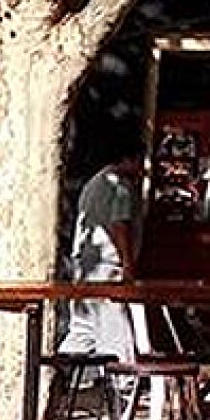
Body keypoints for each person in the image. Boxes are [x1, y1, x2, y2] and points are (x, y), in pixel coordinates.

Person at [58, 148, 145, 361]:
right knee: (114, 331)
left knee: (83, 327)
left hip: (83, 266)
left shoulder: (93, 184)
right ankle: (122, 377)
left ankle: (56, 368)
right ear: (129, 159)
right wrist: (127, 263)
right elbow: (118, 225)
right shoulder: (120, 186)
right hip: (107, 266)